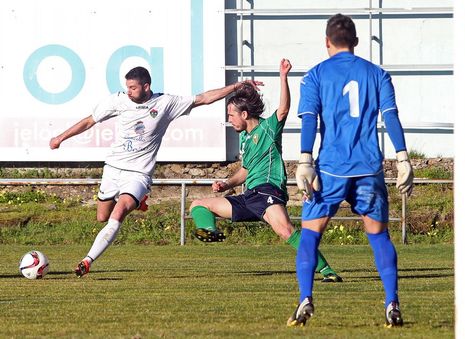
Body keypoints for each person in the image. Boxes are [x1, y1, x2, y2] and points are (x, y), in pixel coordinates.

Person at [50, 66, 261, 278]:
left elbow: (203, 99)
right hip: (113, 169)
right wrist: (60, 138)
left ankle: (87, 261)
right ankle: (138, 201)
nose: (129, 91)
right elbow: (89, 121)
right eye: (127, 87)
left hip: (138, 173)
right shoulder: (118, 100)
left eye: (133, 87)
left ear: (146, 86)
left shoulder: (165, 103)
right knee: (102, 217)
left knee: (119, 212)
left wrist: (236, 86)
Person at [287, 14, 413, 328]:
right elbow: (391, 116)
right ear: (355, 42)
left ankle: (305, 297)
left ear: (327, 41)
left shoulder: (315, 76)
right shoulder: (378, 74)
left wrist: (305, 160)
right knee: (379, 236)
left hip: (330, 171)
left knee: (309, 236)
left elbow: (309, 120)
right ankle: (391, 302)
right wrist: (403, 158)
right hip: (369, 169)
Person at [189, 59, 342, 282]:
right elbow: (245, 170)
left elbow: (284, 109)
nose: (228, 119)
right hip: (250, 195)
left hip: (267, 191)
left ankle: (327, 271)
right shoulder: (245, 138)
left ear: (244, 114)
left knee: (286, 231)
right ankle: (210, 231)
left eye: (231, 115)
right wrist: (227, 184)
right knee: (198, 205)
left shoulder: (267, 128)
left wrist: (283, 77)